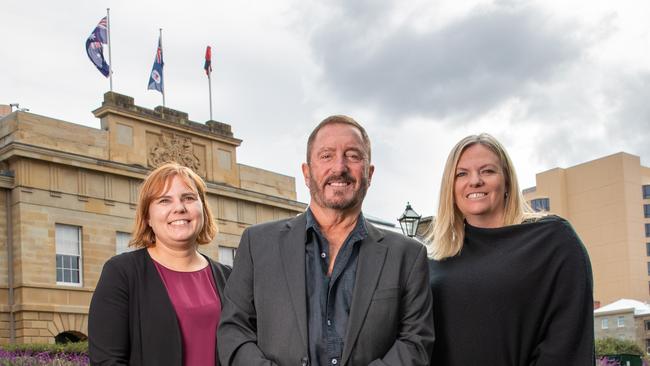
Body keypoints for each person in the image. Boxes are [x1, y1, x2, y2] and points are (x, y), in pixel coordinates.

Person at [218, 115, 434, 366]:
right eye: (326, 155)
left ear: (369, 173)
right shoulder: (257, 244)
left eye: (353, 155)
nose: (339, 167)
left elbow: (415, 342)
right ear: (307, 173)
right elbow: (233, 332)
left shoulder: (408, 255)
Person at [428, 133, 594, 365]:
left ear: (506, 179)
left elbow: (567, 342)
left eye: (487, 171)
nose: (475, 181)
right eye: (461, 174)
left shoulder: (552, 240)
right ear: (451, 188)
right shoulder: (435, 259)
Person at [89, 162, 230, 366]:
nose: (179, 208)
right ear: (148, 217)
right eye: (164, 201)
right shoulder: (122, 273)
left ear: (203, 209)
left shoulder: (229, 278)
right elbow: (106, 361)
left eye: (188, 198)